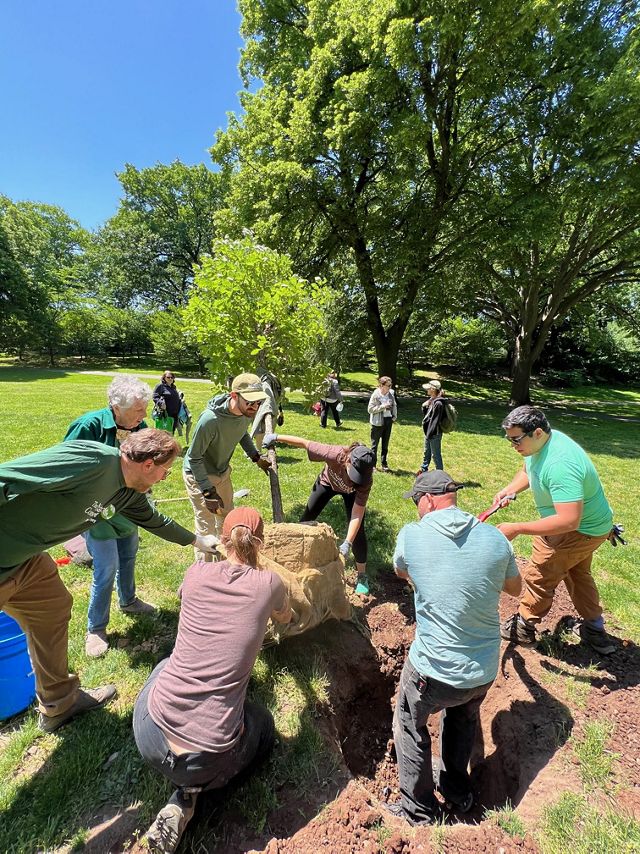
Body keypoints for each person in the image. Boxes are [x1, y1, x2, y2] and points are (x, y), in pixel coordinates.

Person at [0, 429, 220, 733]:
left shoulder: (128, 492)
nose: (164, 479)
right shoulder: (93, 461)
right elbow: (7, 476)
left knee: (53, 606)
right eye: (165, 472)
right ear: (148, 465)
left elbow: (156, 521)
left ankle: (59, 704)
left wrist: (198, 540)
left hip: (24, 559)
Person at [134, 507, 291, 853]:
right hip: (208, 757)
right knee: (262, 724)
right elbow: (286, 614)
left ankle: (185, 793)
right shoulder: (269, 584)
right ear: (260, 544)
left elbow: (182, 595)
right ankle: (190, 795)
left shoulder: (196, 573)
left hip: (149, 734)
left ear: (222, 539)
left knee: (164, 666)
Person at [386, 470, 521, 825]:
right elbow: (515, 588)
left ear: (429, 500)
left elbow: (401, 571)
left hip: (432, 671)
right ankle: (457, 790)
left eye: (417, 502)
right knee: (462, 718)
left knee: (410, 724)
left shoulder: (412, 535)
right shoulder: (495, 540)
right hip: (482, 671)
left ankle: (417, 810)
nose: (416, 509)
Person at [496, 406, 616, 655]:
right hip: (592, 526)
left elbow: (568, 521)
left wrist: (517, 528)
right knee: (576, 573)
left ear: (537, 432)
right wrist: (511, 490)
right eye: (509, 439)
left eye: (516, 439)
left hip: (578, 529)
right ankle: (595, 631)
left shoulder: (561, 464)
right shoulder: (542, 444)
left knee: (541, 573)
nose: (512, 445)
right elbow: (529, 468)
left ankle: (523, 627)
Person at [64, 375, 156, 658]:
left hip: (129, 508)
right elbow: (67, 465)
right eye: (138, 409)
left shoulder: (140, 427)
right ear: (117, 406)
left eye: (144, 408)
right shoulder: (88, 426)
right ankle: (96, 628)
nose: (144, 415)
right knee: (106, 568)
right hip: (98, 511)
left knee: (129, 556)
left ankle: (128, 601)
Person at [262, 432, 375, 595]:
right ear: (348, 460)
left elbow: (357, 514)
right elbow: (304, 442)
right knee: (305, 520)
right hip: (327, 483)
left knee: (358, 533)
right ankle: (294, 558)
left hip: (351, 494)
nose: (355, 480)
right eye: (354, 474)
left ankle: (362, 575)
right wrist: (275, 437)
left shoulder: (365, 479)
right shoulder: (333, 454)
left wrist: (347, 543)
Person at [183, 373, 272, 562]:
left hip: (222, 473)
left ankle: (225, 569)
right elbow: (193, 458)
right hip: (198, 476)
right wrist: (208, 493)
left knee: (227, 521)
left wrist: (256, 457)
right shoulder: (210, 420)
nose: (255, 407)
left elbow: (242, 434)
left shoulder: (246, 413)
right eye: (250, 402)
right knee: (206, 528)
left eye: (258, 403)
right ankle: (203, 577)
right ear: (234, 396)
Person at [368, 376, 397, 472]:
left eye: (390, 385)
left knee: (385, 444)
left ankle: (384, 463)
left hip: (388, 421)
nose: (390, 387)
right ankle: (373, 465)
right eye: (388, 385)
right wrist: (382, 406)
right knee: (374, 445)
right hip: (377, 423)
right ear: (381, 385)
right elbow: (370, 409)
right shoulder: (376, 395)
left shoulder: (391, 393)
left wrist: (394, 417)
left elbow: (394, 405)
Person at [250, 371, 285, 451]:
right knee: (260, 430)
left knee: (263, 430)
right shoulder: (268, 379)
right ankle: (258, 450)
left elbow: (274, 396)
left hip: (270, 408)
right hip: (261, 407)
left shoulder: (270, 379)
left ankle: (260, 449)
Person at [419, 380, 449, 472]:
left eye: (428, 388)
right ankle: (424, 470)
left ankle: (440, 473)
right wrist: (425, 406)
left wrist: (429, 434)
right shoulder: (432, 401)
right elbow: (427, 416)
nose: (426, 390)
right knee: (426, 452)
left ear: (432, 389)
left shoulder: (438, 403)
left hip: (434, 433)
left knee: (435, 455)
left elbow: (434, 421)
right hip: (429, 432)